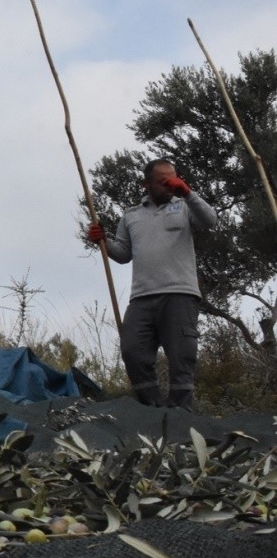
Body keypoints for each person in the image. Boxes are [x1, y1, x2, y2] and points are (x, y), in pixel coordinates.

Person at [87, 158, 217, 409]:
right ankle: (153, 408)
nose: (170, 184)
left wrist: (188, 192)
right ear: (146, 184)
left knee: (182, 357)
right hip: (142, 297)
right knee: (132, 350)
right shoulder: (131, 216)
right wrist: (102, 241)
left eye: (173, 178)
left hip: (180, 294)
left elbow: (210, 221)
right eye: (162, 181)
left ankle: (181, 413)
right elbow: (123, 254)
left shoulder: (185, 206)